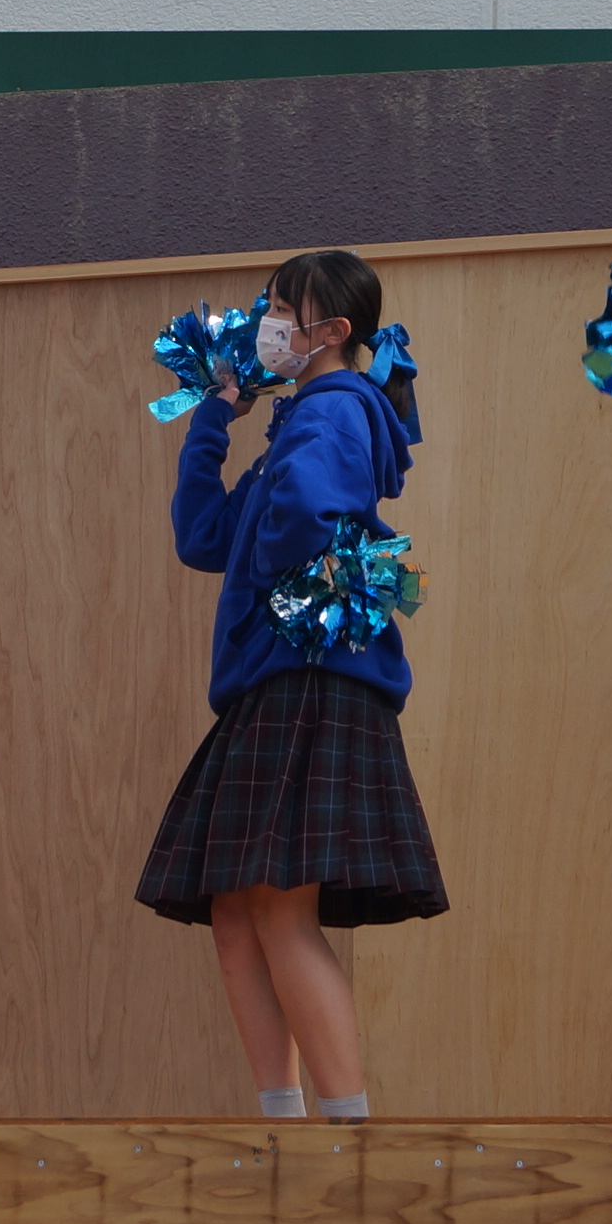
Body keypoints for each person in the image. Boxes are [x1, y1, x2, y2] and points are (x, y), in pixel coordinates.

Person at [133, 249, 442, 1123]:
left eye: (279, 308)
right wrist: (216, 415)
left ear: (331, 331)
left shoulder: (336, 407)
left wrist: (271, 580)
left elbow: (305, 514)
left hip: (307, 680)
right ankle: (285, 1121)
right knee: (239, 912)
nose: (265, 323)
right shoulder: (295, 424)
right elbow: (203, 536)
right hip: (273, 681)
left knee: (277, 910)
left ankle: (346, 1128)